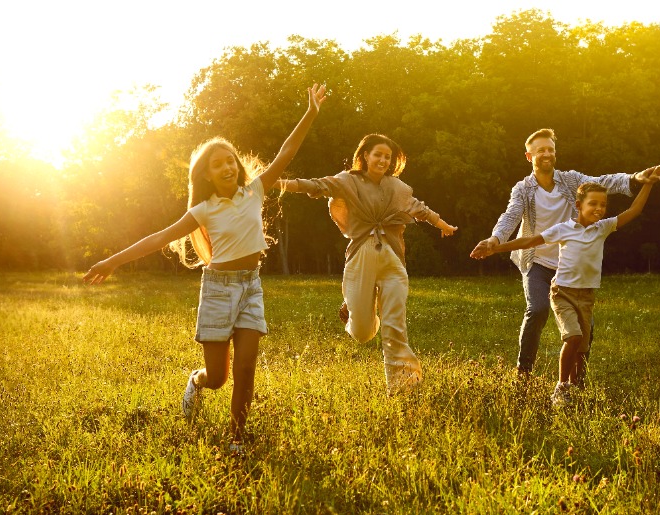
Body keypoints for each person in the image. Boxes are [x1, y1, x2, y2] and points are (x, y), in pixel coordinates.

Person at [82, 84, 327, 452]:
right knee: (218, 377)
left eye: (231, 160)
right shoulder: (203, 210)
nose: (227, 166)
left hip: (251, 287)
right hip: (217, 290)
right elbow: (158, 238)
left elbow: (286, 152)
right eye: (218, 164)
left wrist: (310, 112)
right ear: (207, 175)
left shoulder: (255, 190)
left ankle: (236, 439)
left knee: (246, 368)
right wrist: (111, 261)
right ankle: (195, 383)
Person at [473, 128, 660, 381]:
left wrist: (636, 178)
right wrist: (495, 240)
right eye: (541, 150)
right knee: (538, 309)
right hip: (537, 260)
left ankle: (577, 380)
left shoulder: (570, 180)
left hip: (569, 265)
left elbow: (603, 182)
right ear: (529, 156)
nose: (547, 154)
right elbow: (510, 216)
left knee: (586, 328)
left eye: (550, 149)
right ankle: (524, 373)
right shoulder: (523, 189)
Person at [279, 134, 458, 394]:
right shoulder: (347, 181)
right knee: (362, 333)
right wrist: (278, 182)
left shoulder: (397, 187)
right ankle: (355, 308)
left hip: (393, 260)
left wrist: (442, 224)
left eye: (388, 157)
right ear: (365, 156)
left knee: (395, 326)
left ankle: (404, 387)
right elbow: (316, 185)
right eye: (378, 155)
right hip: (361, 257)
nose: (383, 160)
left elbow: (419, 208)